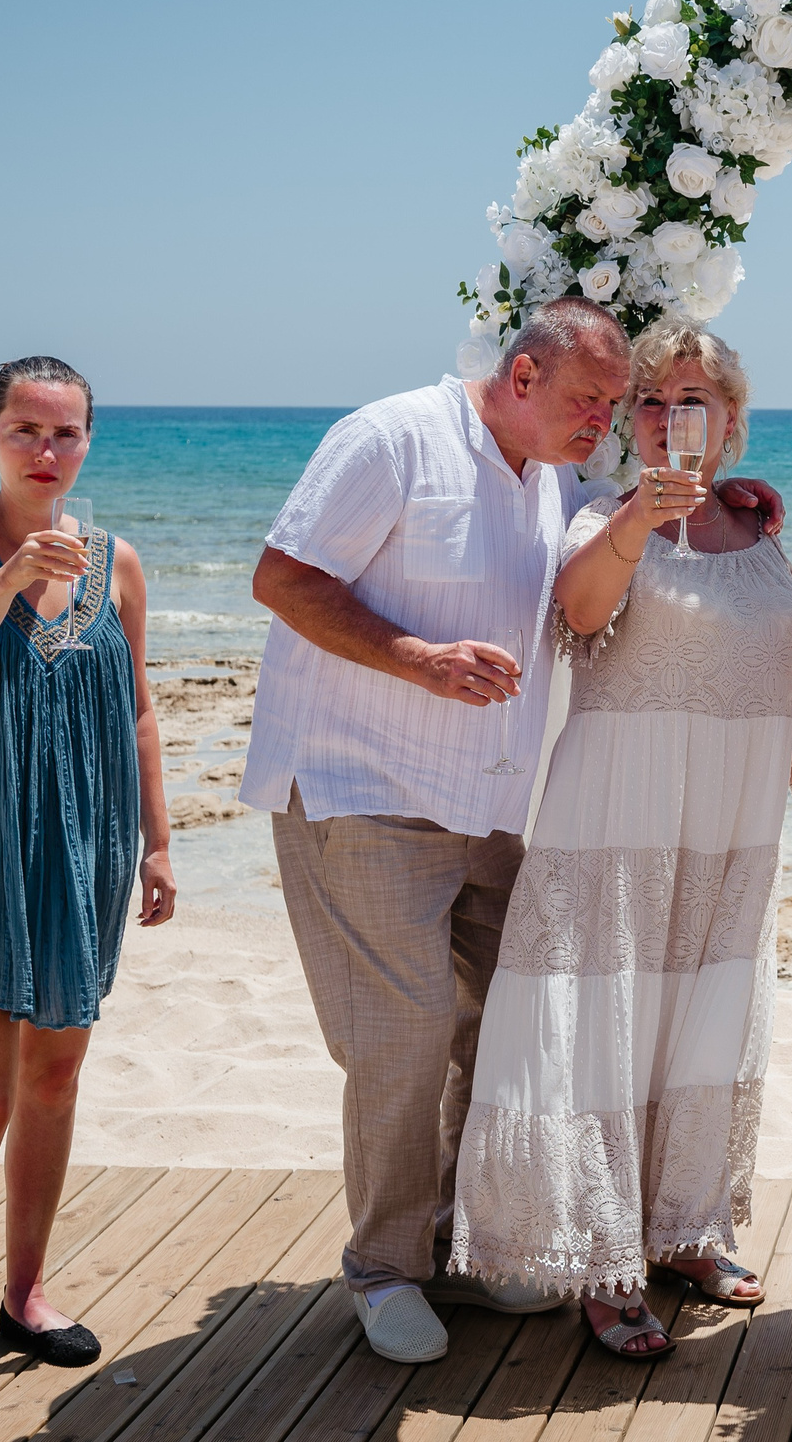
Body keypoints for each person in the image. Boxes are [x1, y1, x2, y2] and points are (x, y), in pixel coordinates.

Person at [239, 297, 631, 1365]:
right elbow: (282, 579)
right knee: (403, 1035)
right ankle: (382, 1267)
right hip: (360, 782)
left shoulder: (552, 478)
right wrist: (418, 658)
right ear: (521, 374)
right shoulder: (390, 437)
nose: (604, 418)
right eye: (588, 397)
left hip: (493, 806)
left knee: (496, 1030)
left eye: (614, 403)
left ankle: (461, 1238)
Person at [447, 320, 792, 1361]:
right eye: (653, 401)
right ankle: (604, 1256)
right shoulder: (592, 515)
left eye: (694, 399)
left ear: (735, 421)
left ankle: (685, 1227)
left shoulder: (760, 527)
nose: (671, 418)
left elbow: (781, 672)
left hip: (730, 820)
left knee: (704, 1014)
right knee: (604, 1023)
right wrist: (635, 521)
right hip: (616, 813)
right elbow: (576, 615)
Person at [0, 356, 177, 1397]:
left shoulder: (120, 563)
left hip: (84, 847)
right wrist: (10, 577)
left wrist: (155, 838)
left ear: (89, 442)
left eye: (66, 434)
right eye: (27, 430)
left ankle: (27, 1293)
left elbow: (138, 707)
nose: (46, 452)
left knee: (52, 1083)